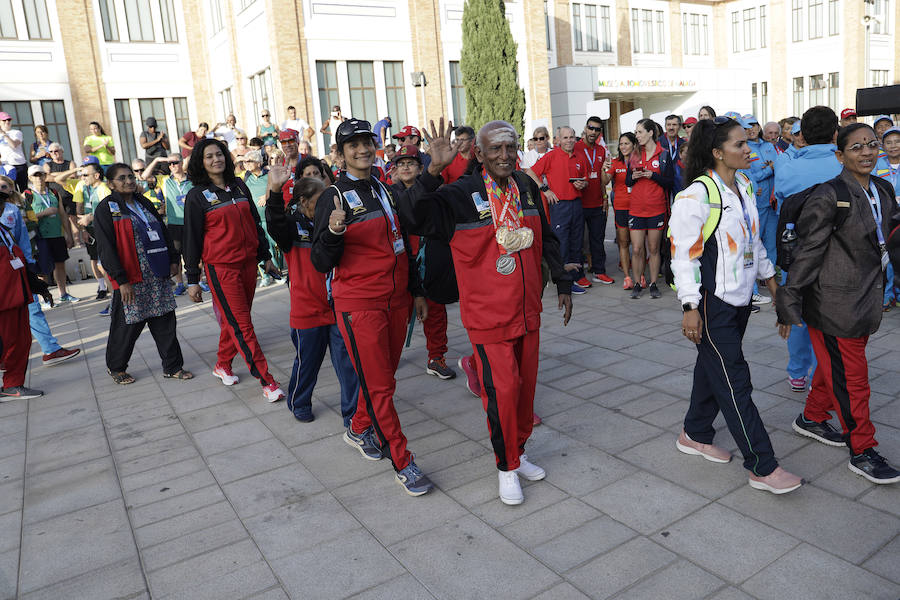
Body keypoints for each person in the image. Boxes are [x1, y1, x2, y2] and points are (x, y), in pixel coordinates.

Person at [396, 118, 573, 506]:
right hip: (488, 316)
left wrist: (560, 281)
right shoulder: (460, 193)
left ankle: (519, 452)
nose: (505, 156)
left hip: (528, 310)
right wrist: (431, 171)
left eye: (510, 148)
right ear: (478, 153)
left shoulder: (526, 186)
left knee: (525, 391)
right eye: (495, 149)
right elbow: (412, 216)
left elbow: (546, 236)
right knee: (503, 392)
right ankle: (506, 467)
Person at [669, 116, 803, 495]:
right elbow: (683, 257)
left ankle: (694, 433)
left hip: (741, 300)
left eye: (748, 142)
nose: (749, 149)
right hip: (712, 304)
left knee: (712, 368)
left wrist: (773, 285)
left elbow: (754, 241)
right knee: (735, 382)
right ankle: (762, 465)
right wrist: (690, 306)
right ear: (717, 153)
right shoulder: (696, 196)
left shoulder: (743, 185)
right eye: (739, 144)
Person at [310, 118, 433, 497]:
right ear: (341, 153)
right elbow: (320, 261)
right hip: (360, 305)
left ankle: (359, 426)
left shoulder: (384, 187)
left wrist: (416, 292)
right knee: (381, 386)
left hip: (397, 300)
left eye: (367, 142)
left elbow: (403, 244)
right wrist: (333, 232)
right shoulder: (334, 196)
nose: (362, 149)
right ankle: (403, 460)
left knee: (384, 378)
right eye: (353, 145)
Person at [777, 123, 900, 485]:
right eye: (857, 147)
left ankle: (812, 417)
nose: (867, 152)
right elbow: (808, 251)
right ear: (840, 155)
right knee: (853, 380)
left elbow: (890, 234)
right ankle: (862, 449)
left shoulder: (883, 188)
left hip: (866, 296)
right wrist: (789, 297)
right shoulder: (829, 194)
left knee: (836, 368)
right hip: (833, 302)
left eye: (871, 144)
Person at [183, 138, 285, 401]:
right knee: (243, 325)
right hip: (222, 269)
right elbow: (191, 239)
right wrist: (193, 279)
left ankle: (222, 364)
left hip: (248, 264)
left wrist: (265, 258)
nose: (216, 159)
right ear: (200, 162)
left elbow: (253, 222)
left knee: (235, 321)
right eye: (209, 156)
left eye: (219, 154)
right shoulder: (197, 196)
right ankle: (267, 381)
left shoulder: (238, 185)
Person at [265, 169, 359, 424]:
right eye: (321, 200)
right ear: (304, 201)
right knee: (308, 363)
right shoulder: (291, 226)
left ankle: (353, 414)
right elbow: (274, 222)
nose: (327, 205)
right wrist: (274, 192)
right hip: (307, 311)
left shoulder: (331, 222)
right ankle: (299, 401)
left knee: (347, 363)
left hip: (337, 306)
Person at [92, 163, 191, 384]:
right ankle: (116, 367)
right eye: (122, 178)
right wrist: (121, 280)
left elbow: (162, 231)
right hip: (131, 278)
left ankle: (173, 366)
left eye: (131, 177)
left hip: (157, 275)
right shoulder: (106, 209)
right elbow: (105, 248)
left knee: (166, 321)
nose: (129, 181)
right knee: (127, 326)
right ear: (110, 184)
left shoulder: (143, 201)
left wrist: (174, 260)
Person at [774, 106, 842, 392]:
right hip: (838, 252)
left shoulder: (787, 166)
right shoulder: (843, 164)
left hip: (798, 251)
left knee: (797, 309)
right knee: (834, 313)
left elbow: (780, 198)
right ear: (835, 133)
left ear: (802, 136)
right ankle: (824, 373)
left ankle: (798, 372)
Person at [390, 145, 456, 380]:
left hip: (430, 262)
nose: (405, 167)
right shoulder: (389, 195)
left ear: (421, 168)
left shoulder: (437, 191)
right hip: (401, 264)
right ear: (395, 169)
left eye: (411, 163)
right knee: (398, 314)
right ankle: (390, 357)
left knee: (435, 312)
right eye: (401, 163)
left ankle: (436, 357)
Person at [1, 177, 80, 367]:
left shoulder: (15, 210)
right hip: (3, 274)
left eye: (4, 186)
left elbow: (22, 241)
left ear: (11, 189)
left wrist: (29, 267)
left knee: (32, 307)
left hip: (17, 269)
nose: (1, 190)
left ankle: (50, 349)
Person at [0, 186, 56, 400]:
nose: (2, 207)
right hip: (3, 301)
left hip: (18, 296)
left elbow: (18, 262)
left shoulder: (4, 229)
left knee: (20, 343)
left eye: (3, 202)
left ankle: (13, 385)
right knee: (7, 346)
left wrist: (38, 286)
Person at [525, 126, 588, 293]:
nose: (569, 140)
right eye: (565, 137)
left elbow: (586, 179)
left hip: (576, 203)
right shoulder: (551, 155)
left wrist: (583, 183)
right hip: (560, 205)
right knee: (562, 243)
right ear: (558, 140)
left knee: (576, 241)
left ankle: (577, 275)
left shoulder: (579, 156)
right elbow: (531, 172)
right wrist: (544, 189)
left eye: (572, 137)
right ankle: (564, 280)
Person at [626, 118, 674, 299]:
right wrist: (636, 176)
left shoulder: (664, 154)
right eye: (636, 132)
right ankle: (637, 283)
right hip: (636, 208)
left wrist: (653, 175)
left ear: (650, 133)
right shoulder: (635, 154)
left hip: (656, 208)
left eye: (639, 132)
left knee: (654, 248)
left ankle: (653, 283)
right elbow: (628, 181)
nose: (637, 136)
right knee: (637, 249)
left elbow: (669, 182)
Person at [54, 157, 113, 303]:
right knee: (96, 261)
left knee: (105, 265)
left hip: (103, 230)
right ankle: (105, 290)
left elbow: (109, 211)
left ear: (97, 175)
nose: (82, 176)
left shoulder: (103, 189)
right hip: (91, 229)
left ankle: (114, 298)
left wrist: (91, 217)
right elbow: (59, 179)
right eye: (82, 172)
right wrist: (84, 229)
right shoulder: (84, 185)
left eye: (86, 173)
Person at [24, 165, 77, 303]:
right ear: (30, 178)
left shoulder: (53, 192)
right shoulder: (27, 195)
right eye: (36, 175)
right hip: (39, 237)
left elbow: (63, 215)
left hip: (56, 234)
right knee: (42, 268)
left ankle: (63, 293)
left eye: (41, 174)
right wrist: (44, 213)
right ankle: (46, 298)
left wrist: (69, 235)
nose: (39, 178)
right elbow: (25, 218)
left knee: (60, 264)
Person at [576, 116, 613, 284]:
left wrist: (605, 196)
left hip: (597, 202)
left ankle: (599, 271)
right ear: (585, 128)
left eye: (597, 129)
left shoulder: (601, 150)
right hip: (578, 202)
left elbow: (603, 180)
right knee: (577, 241)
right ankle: (578, 276)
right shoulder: (575, 147)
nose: (593, 132)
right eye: (591, 128)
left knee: (597, 240)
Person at [741, 115, 779, 273]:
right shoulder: (744, 149)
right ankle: (752, 284)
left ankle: (768, 277)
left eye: (753, 125)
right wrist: (768, 170)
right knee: (753, 243)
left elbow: (779, 166)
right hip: (757, 202)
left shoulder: (768, 146)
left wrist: (770, 168)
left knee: (771, 244)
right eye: (747, 127)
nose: (751, 129)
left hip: (772, 203)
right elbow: (749, 176)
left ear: (758, 126)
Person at [242, 149, 279, 287]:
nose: (246, 164)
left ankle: (276, 272)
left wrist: (266, 195)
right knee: (262, 248)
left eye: (249, 161)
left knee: (274, 248)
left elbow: (277, 189)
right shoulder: (246, 179)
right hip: (255, 220)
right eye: (245, 162)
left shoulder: (268, 175)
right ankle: (265, 277)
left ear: (259, 162)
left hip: (269, 218)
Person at [604, 132, 636, 289]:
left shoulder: (640, 161)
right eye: (621, 144)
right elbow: (605, 181)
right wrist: (604, 170)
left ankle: (640, 275)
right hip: (621, 206)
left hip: (639, 207)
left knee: (638, 245)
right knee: (623, 242)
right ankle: (627, 277)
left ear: (634, 145)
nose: (623, 147)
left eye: (627, 143)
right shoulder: (615, 163)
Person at [43, 142, 77, 234]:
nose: (54, 153)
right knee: (61, 219)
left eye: (56, 151)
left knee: (72, 218)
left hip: (69, 194)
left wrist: (53, 175)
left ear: (62, 151)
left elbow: (73, 176)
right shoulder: (47, 165)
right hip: (55, 196)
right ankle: (68, 240)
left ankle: (77, 241)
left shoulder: (70, 163)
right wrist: (65, 174)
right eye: (51, 151)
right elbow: (46, 177)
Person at [0, 112, 28, 191]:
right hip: (6, 166)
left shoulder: (16, 132)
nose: (7, 122)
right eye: (4, 120)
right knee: (10, 190)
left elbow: (14, 145)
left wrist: (4, 134)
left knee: (24, 189)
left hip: (19, 165)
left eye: (8, 120)